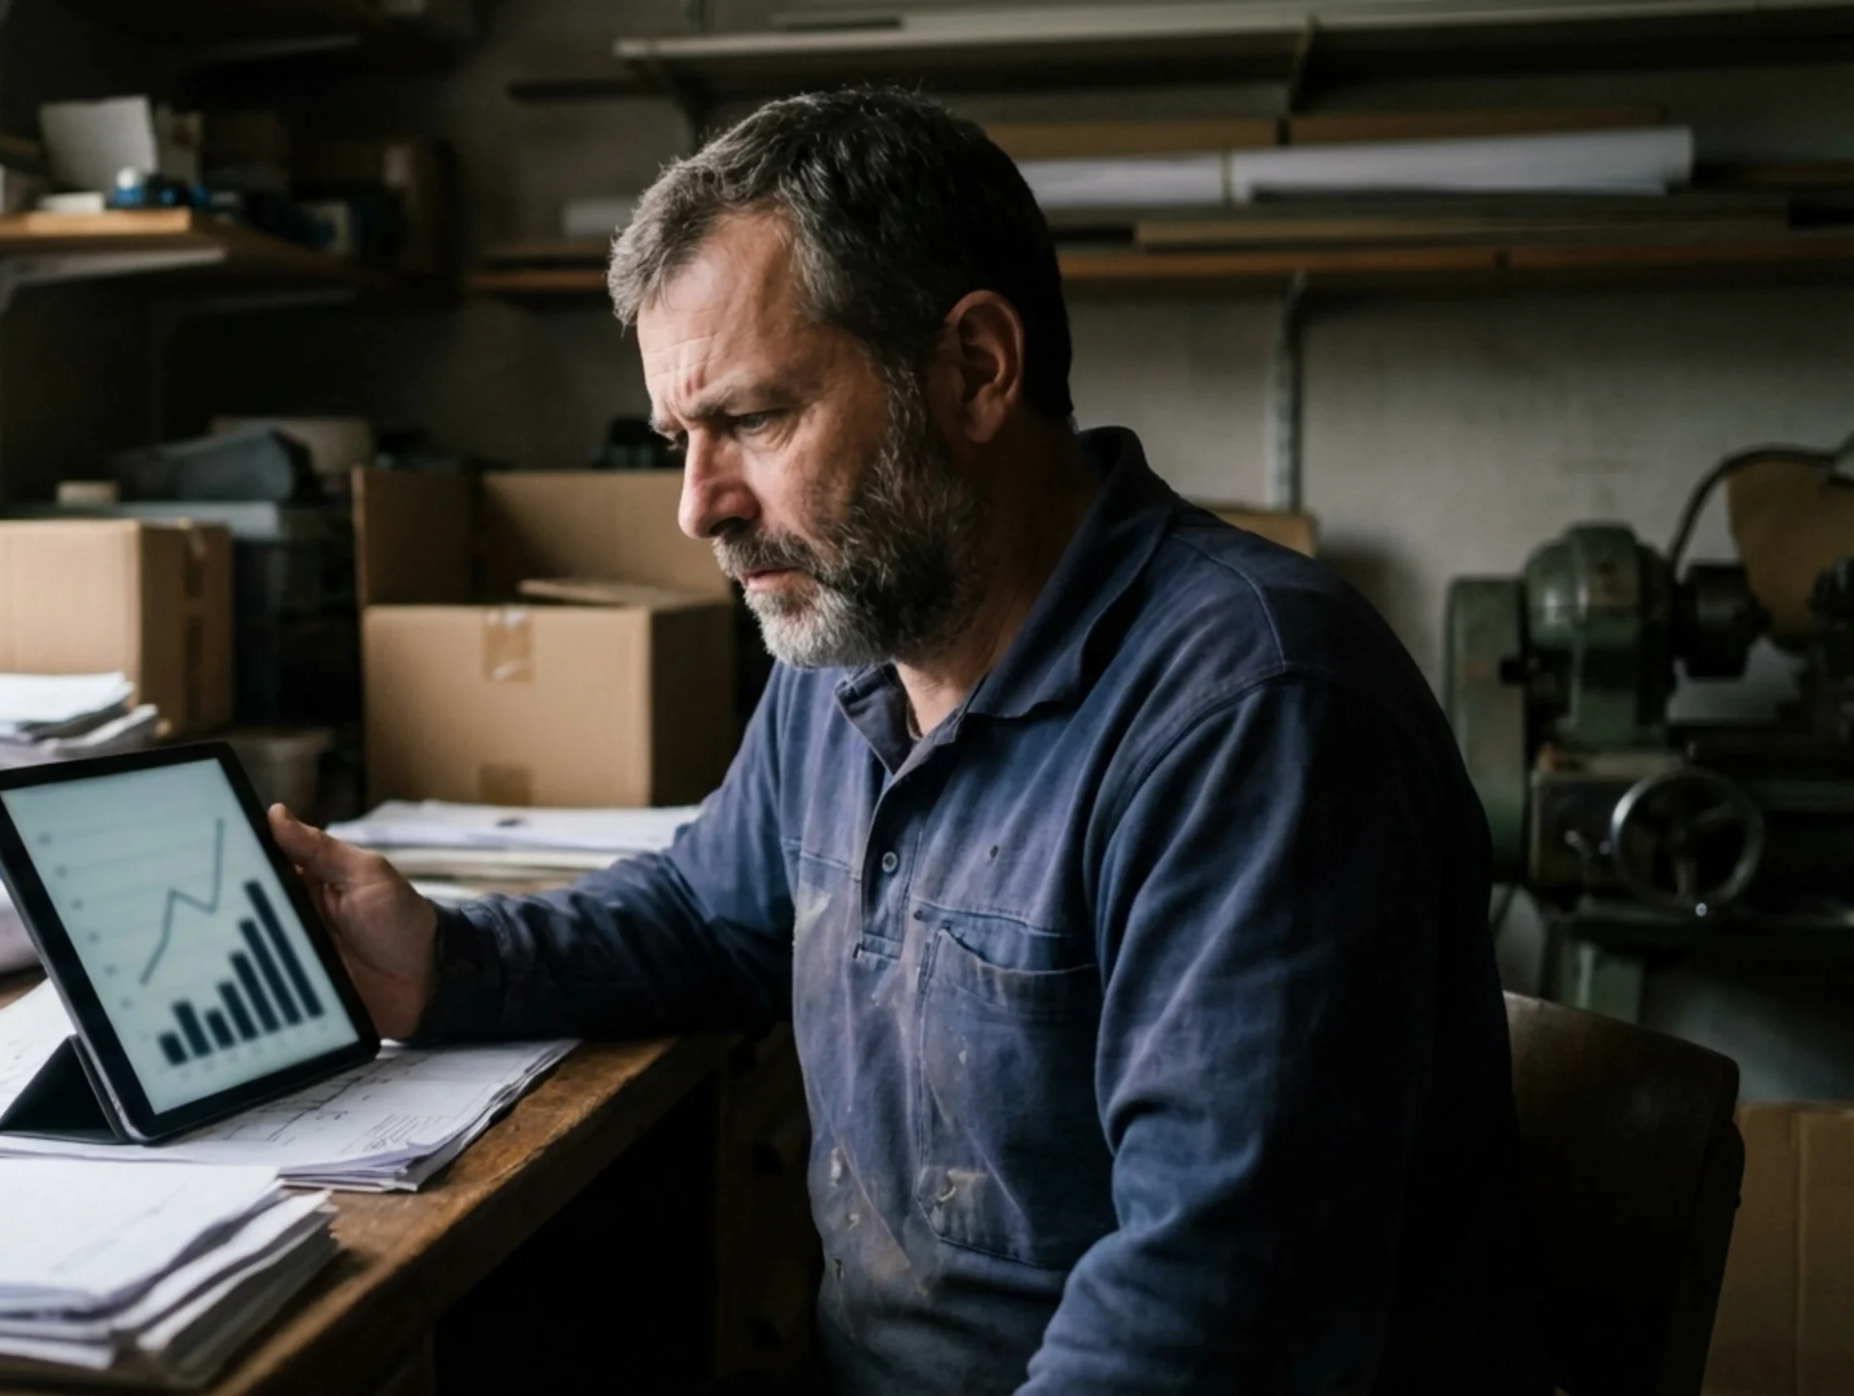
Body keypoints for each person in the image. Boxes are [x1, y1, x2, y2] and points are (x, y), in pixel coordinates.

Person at [271, 89, 1541, 1395]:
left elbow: (1208, 1316)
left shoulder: (1254, 713)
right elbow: (712, 915)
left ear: (976, 371)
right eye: (678, 440)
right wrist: (448, 962)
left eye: (754, 422)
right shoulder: (853, 650)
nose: (697, 508)